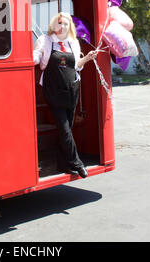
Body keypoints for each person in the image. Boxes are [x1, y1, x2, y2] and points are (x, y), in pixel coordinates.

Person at [33, 12, 98, 178]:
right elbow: (37, 58)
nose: (63, 27)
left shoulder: (73, 43)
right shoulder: (44, 41)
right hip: (53, 91)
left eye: (66, 24)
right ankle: (77, 162)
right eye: (60, 23)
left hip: (71, 90)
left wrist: (88, 58)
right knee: (64, 129)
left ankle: (63, 163)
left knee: (67, 128)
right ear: (54, 25)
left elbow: (76, 65)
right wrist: (29, 56)